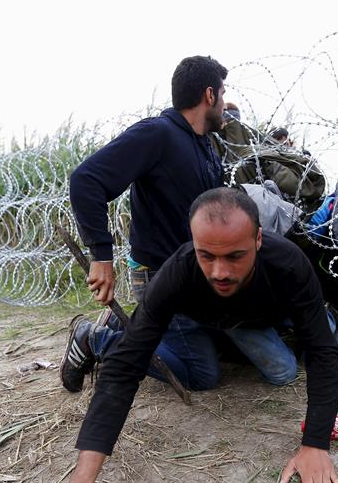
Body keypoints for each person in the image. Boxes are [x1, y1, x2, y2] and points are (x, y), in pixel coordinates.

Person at [67, 188, 338, 483]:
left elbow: (321, 349)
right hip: (193, 315)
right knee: (203, 376)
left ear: (258, 240)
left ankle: (136, 325)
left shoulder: (288, 264)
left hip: (249, 317)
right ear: (194, 243)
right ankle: (101, 336)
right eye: (206, 256)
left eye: (235, 256)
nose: (219, 271)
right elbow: (125, 367)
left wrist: (315, 445)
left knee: (292, 361)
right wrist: (83, 477)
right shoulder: (177, 273)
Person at [62, 55, 227, 389]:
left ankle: (125, 325)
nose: (225, 103)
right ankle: (94, 338)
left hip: (191, 273)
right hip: (160, 274)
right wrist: (101, 256)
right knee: (201, 374)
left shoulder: (205, 146)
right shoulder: (157, 135)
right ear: (209, 95)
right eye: (223, 94)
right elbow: (86, 180)